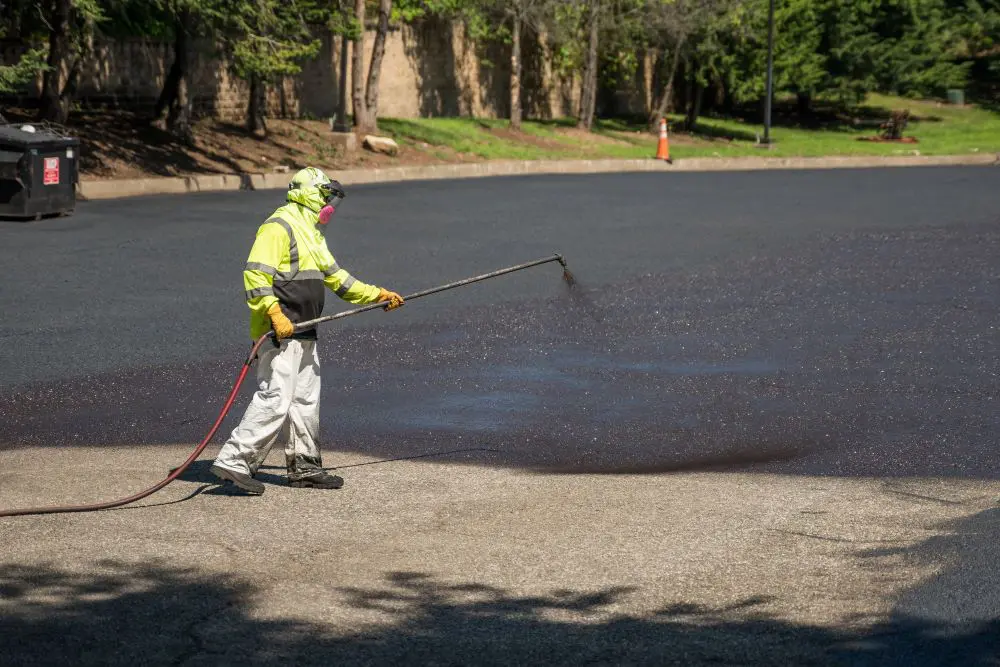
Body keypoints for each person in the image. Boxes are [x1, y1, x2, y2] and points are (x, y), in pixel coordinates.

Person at [211, 167, 404, 495]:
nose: (329, 205)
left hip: (305, 332)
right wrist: (273, 313)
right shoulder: (279, 226)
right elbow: (255, 275)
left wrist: (377, 294)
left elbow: (338, 279)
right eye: (326, 197)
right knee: (276, 398)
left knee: (304, 401)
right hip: (280, 333)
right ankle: (235, 461)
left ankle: (305, 467)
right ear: (310, 193)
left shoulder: (312, 234)